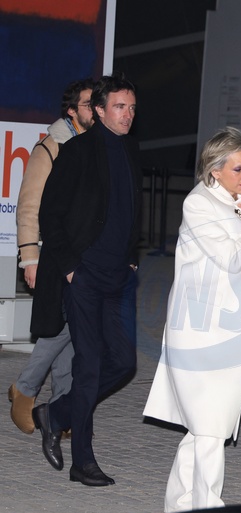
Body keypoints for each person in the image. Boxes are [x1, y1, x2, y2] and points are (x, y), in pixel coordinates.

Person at [143, 126, 241, 512]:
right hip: (199, 331)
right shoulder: (198, 204)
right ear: (215, 171)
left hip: (233, 329)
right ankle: (207, 512)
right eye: (238, 169)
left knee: (206, 427)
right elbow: (231, 258)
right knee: (211, 426)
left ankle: (178, 506)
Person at [30, 72, 142, 487]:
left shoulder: (130, 149)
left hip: (119, 277)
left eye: (132, 108)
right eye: (119, 107)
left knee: (124, 362)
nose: (127, 115)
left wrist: (131, 259)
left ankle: (55, 413)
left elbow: (131, 209)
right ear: (98, 110)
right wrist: (70, 267)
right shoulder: (76, 151)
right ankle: (83, 462)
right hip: (85, 276)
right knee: (89, 365)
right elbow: (50, 213)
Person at [8, 78, 95, 435]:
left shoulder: (96, 145)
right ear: (72, 110)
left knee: (70, 325)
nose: (95, 109)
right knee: (65, 325)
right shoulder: (51, 147)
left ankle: (59, 407)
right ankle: (26, 389)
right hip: (52, 251)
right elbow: (29, 205)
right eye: (88, 104)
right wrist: (30, 258)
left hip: (82, 251)